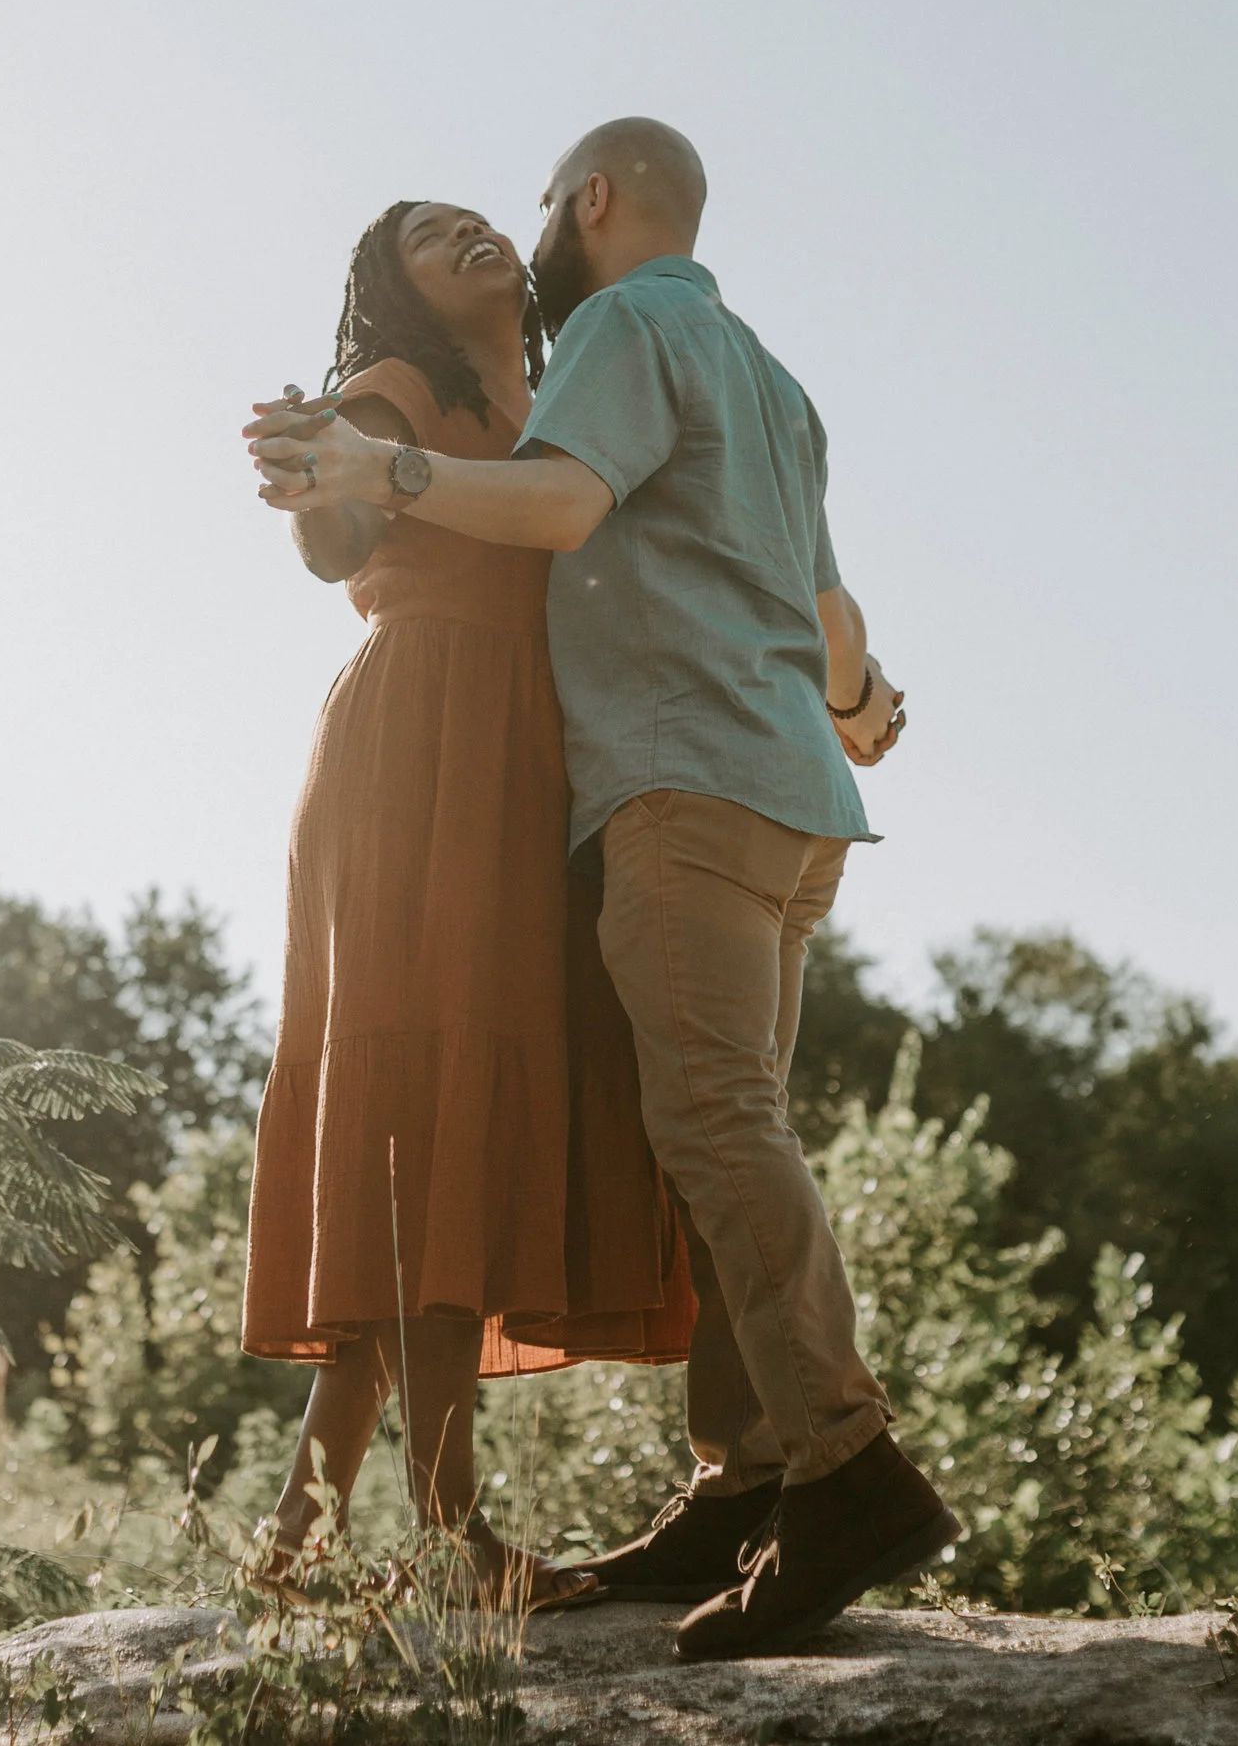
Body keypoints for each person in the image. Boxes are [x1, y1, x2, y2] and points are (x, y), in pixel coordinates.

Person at [248, 118, 955, 1660]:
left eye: (513, 210)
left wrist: (387, 464)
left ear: (592, 201)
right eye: (438, 227)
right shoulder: (768, 375)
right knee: (690, 1123)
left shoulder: (619, 330)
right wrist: (860, 698)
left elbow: (559, 507)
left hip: (667, 777)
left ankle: (840, 1464)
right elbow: (821, 600)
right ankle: (742, 1477)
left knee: (706, 1123)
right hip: (729, 788)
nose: (500, 234)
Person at [241, 194, 693, 1600]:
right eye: (432, 233)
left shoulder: (554, 396)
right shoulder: (392, 389)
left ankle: (289, 1547)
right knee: (421, 1104)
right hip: (421, 737)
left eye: (480, 218)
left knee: (427, 1125)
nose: (472, 234)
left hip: (519, 751)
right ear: (396, 284)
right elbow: (335, 539)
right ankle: (451, 1535)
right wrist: (326, 476)